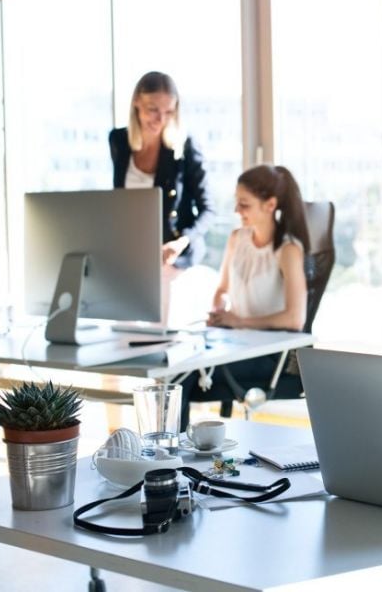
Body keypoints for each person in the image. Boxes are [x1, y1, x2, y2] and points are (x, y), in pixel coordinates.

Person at [180, 164, 311, 427]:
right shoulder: (237, 239)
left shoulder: (287, 250)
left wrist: (239, 322)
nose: (236, 211)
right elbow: (221, 289)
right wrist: (218, 312)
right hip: (234, 344)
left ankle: (167, 456)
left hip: (270, 354)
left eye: (244, 204)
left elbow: (295, 319)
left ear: (270, 204)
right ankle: (167, 453)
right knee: (175, 367)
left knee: (182, 377)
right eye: (236, 203)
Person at [109, 71, 213, 324]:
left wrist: (181, 243)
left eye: (169, 112)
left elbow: (207, 209)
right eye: (152, 109)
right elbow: (120, 201)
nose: (160, 119)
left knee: (161, 330)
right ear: (136, 103)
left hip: (173, 252)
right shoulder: (119, 141)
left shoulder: (184, 147)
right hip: (133, 250)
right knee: (123, 328)